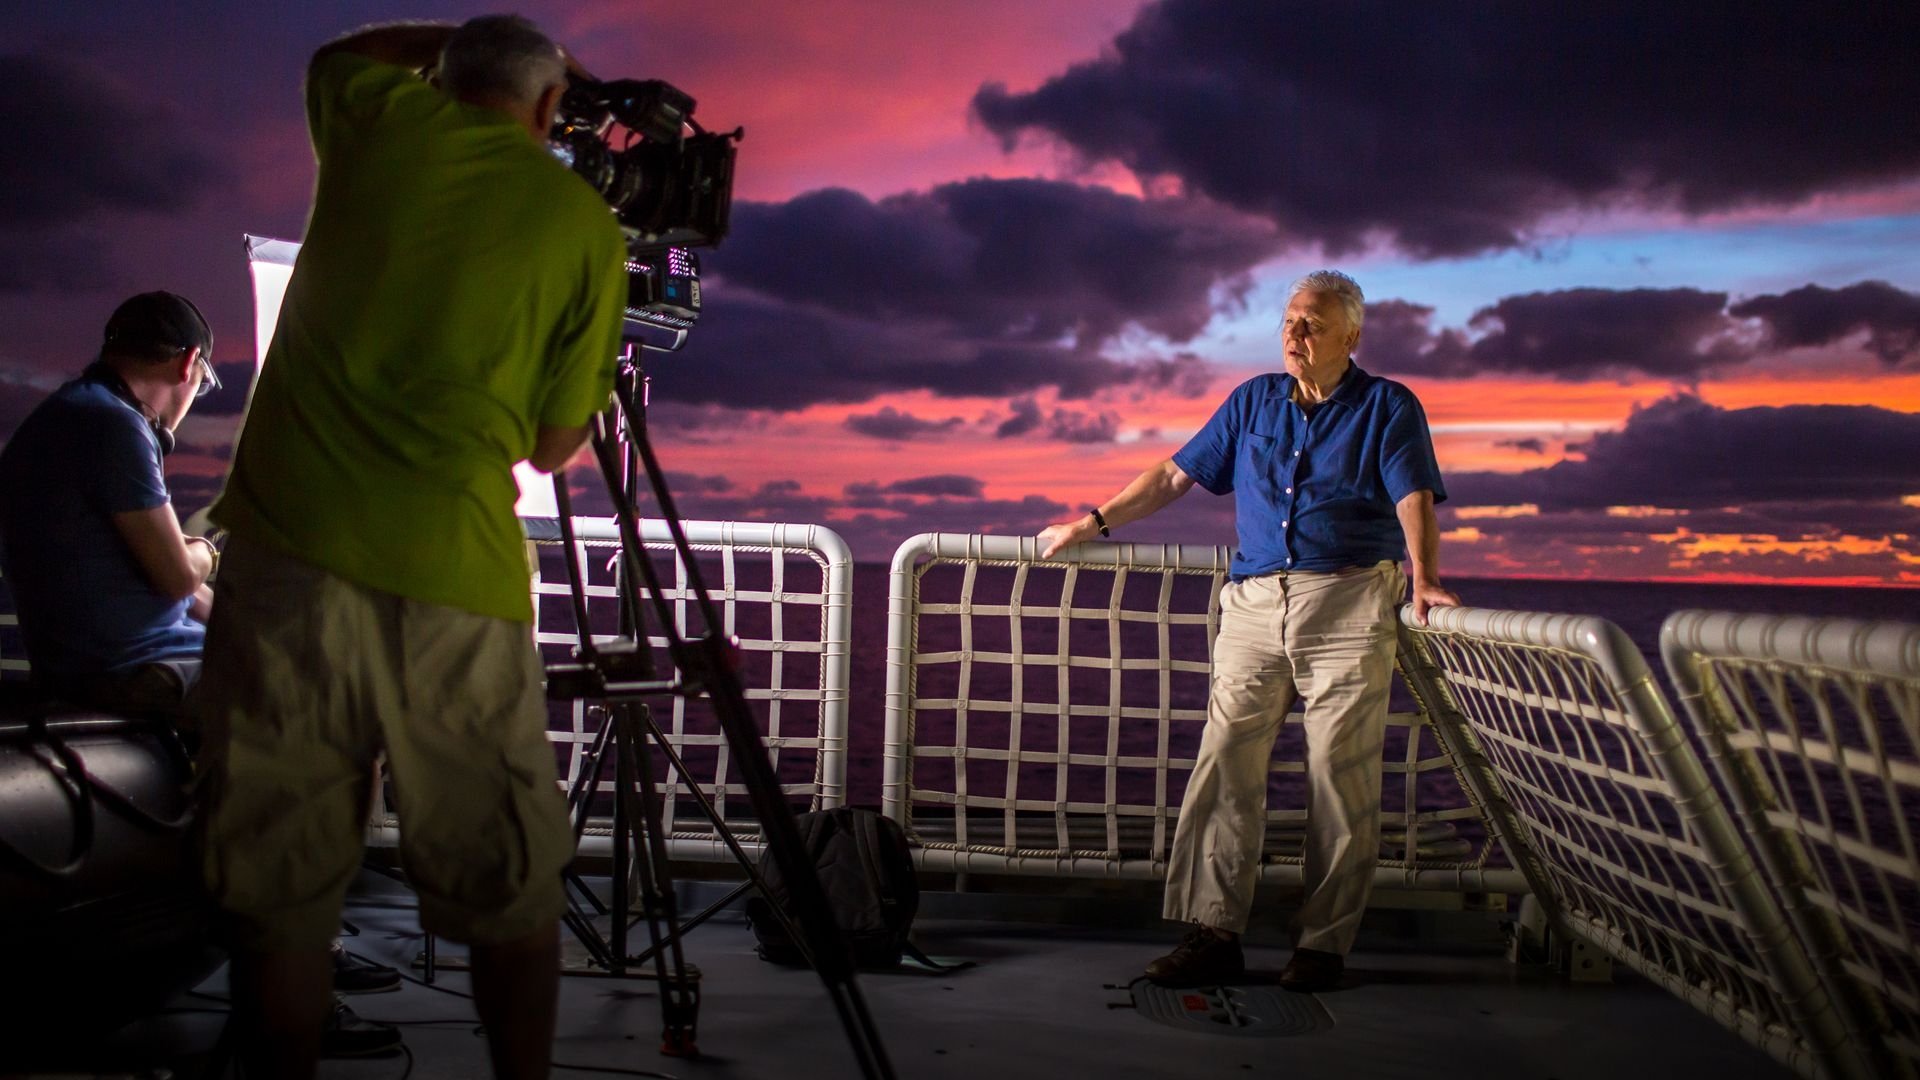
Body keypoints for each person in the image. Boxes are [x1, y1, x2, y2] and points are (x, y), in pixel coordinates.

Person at [190, 14, 627, 1080]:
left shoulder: (377, 124)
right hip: (455, 577)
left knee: (281, 882)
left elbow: (339, 53)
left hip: (287, 551)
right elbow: (553, 443)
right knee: (506, 873)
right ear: (550, 112)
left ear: (442, 78)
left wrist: (468, 39)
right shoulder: (584, 226)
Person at [0, 292, 406, 1056]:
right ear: (191, 365)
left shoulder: (80, 415)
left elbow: (179, 588)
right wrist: (214, 550)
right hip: (127, 669)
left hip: (134, 650)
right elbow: (170, 572)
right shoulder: (111, 428)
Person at [1036, 269, 1461, 993]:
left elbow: (1412, 494)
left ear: (1350, 336)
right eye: (1291, 320)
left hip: (1350, 600)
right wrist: (1091, 523)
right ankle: (1213, 934)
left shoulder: (1388, 405)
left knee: (1340, 776)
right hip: (1255, 604)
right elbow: (1175, 476)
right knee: (1226, 762)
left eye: (1314, 324)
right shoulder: (1253, 401)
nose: (1296, 334)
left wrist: (1423, 579)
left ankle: (1323, 948)